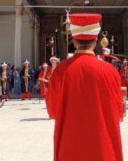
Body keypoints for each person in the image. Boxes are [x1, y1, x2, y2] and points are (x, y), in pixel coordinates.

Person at [46, 13, 123, 161]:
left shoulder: (60, 71)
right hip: (102, 147)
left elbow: (53, 110)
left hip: (71, 146)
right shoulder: (110, 71)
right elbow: (118, 111)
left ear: (74, 41)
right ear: (95, 41)